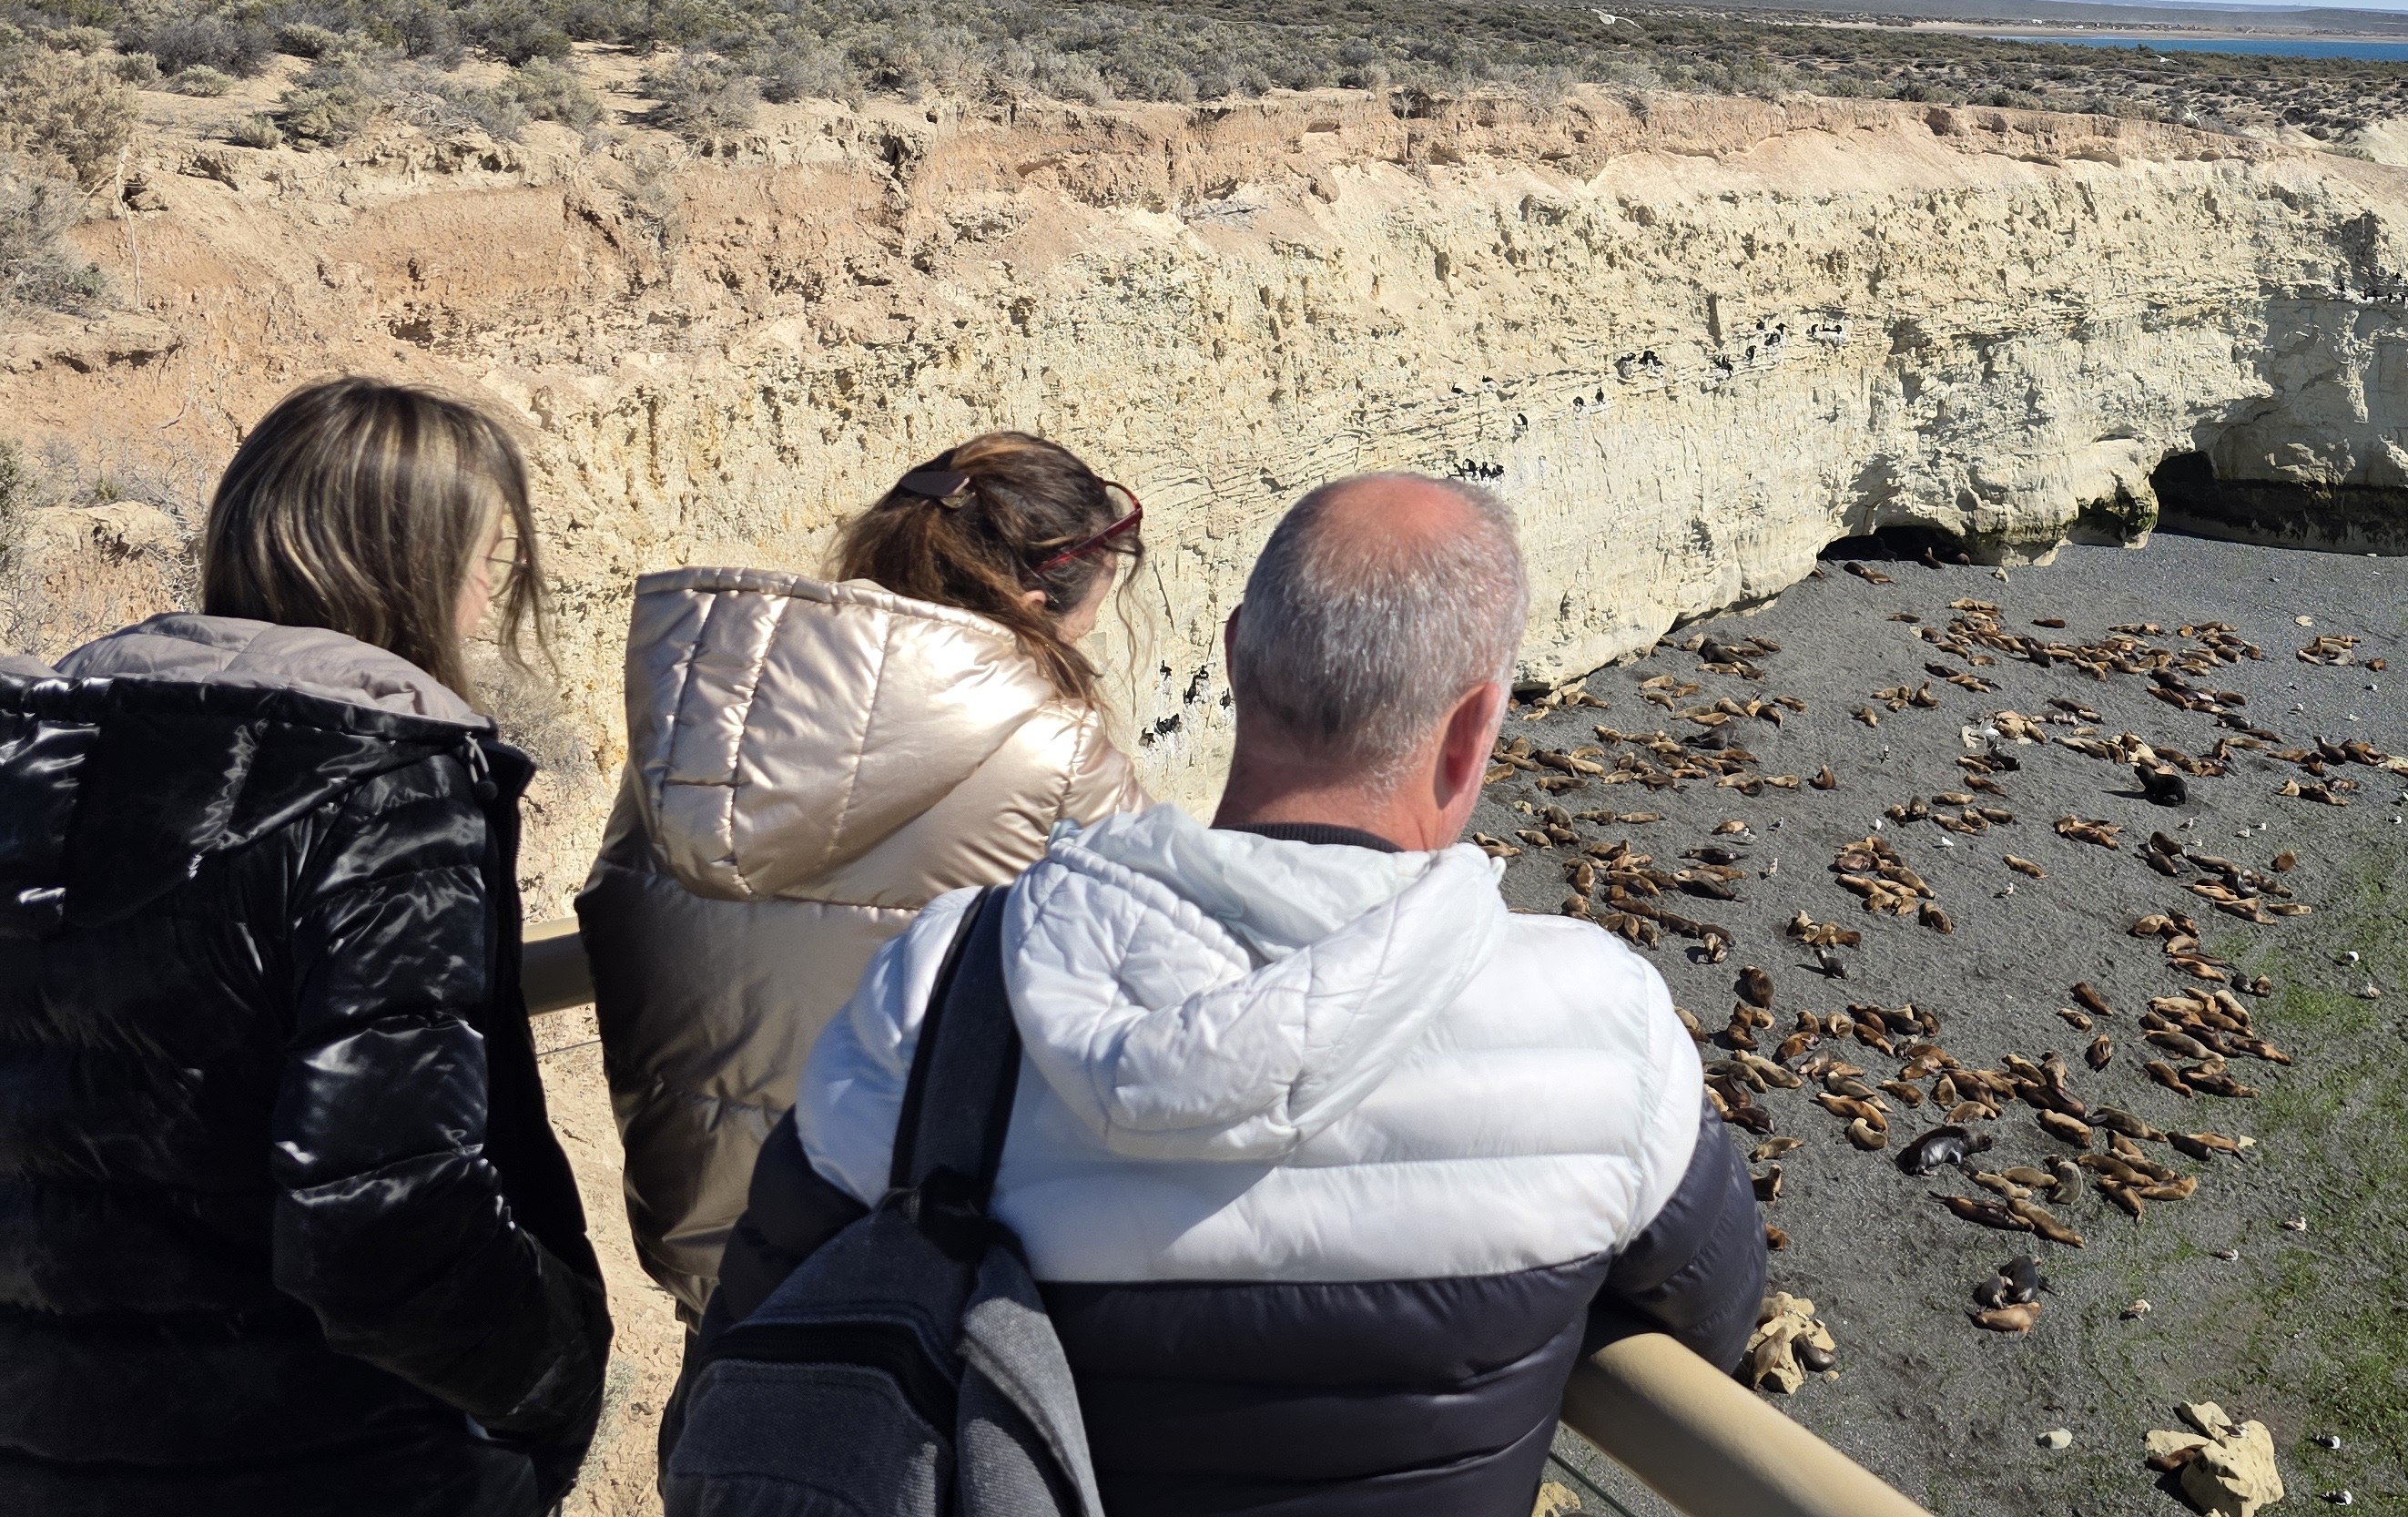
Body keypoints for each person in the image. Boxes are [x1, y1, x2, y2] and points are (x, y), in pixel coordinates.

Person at [695, 474, 1767, 1517]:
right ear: (1474, 726)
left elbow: (752, 1335)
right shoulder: (1602, 1023)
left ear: (1233, 659)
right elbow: (1715, 1317)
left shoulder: (943, 980)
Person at [0, 377, 610, 1516]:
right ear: (409, 563)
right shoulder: (384, 791)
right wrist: (559, 1375)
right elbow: (385, 1219)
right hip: (333, 1455)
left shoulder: (37, 766)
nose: (491, 593)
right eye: (492, 558)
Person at [581, 430, 1146, 1317]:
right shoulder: (1057, 753)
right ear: (1035, 599)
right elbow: (1146, 995)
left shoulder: (704, 731)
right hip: (911, 1283)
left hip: (715, 1264)